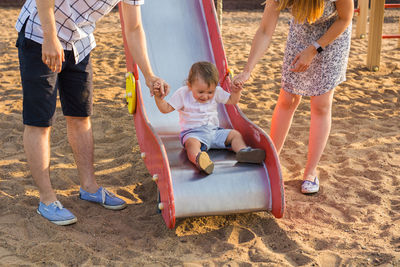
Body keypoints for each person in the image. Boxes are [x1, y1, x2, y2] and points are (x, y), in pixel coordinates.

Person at [15, 0, 169, 225]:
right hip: (40, 33)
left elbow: (134, 28)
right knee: (40, 121)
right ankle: (47, 200)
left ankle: (89, 188)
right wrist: (50, 38)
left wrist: (149, 75)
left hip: (79, 43)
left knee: (81, 116)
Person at [232, 0, 353, 194]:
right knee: (287, 99)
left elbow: (345, 18)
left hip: (331, 39)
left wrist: (314, 49)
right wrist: (248, 70)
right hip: (300, 36)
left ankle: (310, 171)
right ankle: (272, 161)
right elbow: (265, 30)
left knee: (320, 104)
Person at [153, 61, 265, 175]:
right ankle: (200, 160)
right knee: (191, 145)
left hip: (214, 132)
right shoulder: (183, 94)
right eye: (201, 92)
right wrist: (159, 98)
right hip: (193, 133)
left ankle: (243, 151)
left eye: (209, 92)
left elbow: (232, 100)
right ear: (190, 85)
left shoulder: (216, 91)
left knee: (234, 134)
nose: (205, 96)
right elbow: (165, 109)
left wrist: (236, 92)